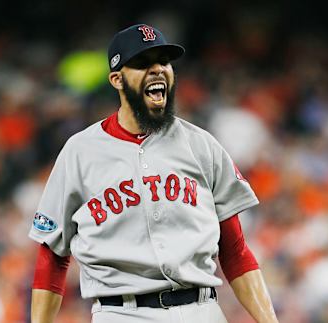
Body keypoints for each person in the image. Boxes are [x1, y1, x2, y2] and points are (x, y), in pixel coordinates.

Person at [29, 24, 278, 323]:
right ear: (117, 79)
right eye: (143, 63)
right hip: (120, 312)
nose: (158, 69)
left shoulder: (201, 145)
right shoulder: (80, 151)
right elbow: (52, 256)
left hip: (200, 310)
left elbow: (235, 250)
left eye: (164, 61)